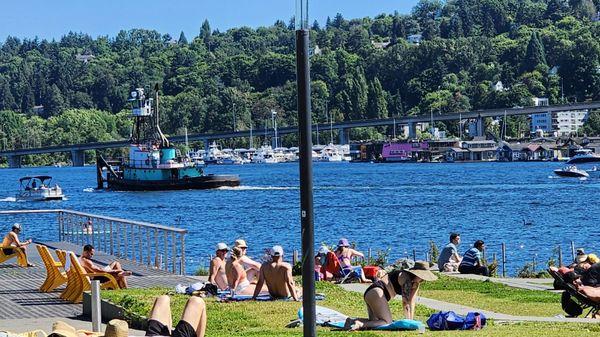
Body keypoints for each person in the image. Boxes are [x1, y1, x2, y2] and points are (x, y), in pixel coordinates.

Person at [344, 261, 438, 330]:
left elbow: (411, 302)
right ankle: (360, 324)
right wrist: (408, 322)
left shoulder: (416, 283)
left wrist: (411, 321)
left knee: (376, 321)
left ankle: (352, 321)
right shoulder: (406, 279)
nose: (423, 280)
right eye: (422, 277)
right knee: (387, 322)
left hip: (373, 293)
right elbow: (405, 303)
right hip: (377, 292)